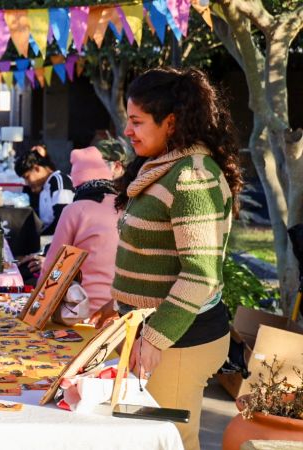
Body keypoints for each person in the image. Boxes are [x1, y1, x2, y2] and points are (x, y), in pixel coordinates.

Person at [112, 67, 242, 450]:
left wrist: (153, 338)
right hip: (159, 333)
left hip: (180, 339)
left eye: (137, 121)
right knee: (143, 435)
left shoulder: (192, 178)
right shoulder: (165, 167)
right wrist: (118, 303)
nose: (128, 131)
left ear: (170, 122)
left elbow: (199, 275)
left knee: (170, 439)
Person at [26, 146, 119, 324]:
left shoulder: (74, 210)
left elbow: (53, 266)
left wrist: (35, 311)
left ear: (77, 184)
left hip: (82, 311)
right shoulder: (125, 206)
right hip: (118, 311)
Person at [14, 145, 74, 235]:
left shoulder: (58, 180)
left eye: (27, 177)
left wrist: (40, 236)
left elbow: (63, 220)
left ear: (37, 168)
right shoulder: (44, 188)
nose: (26, 182)